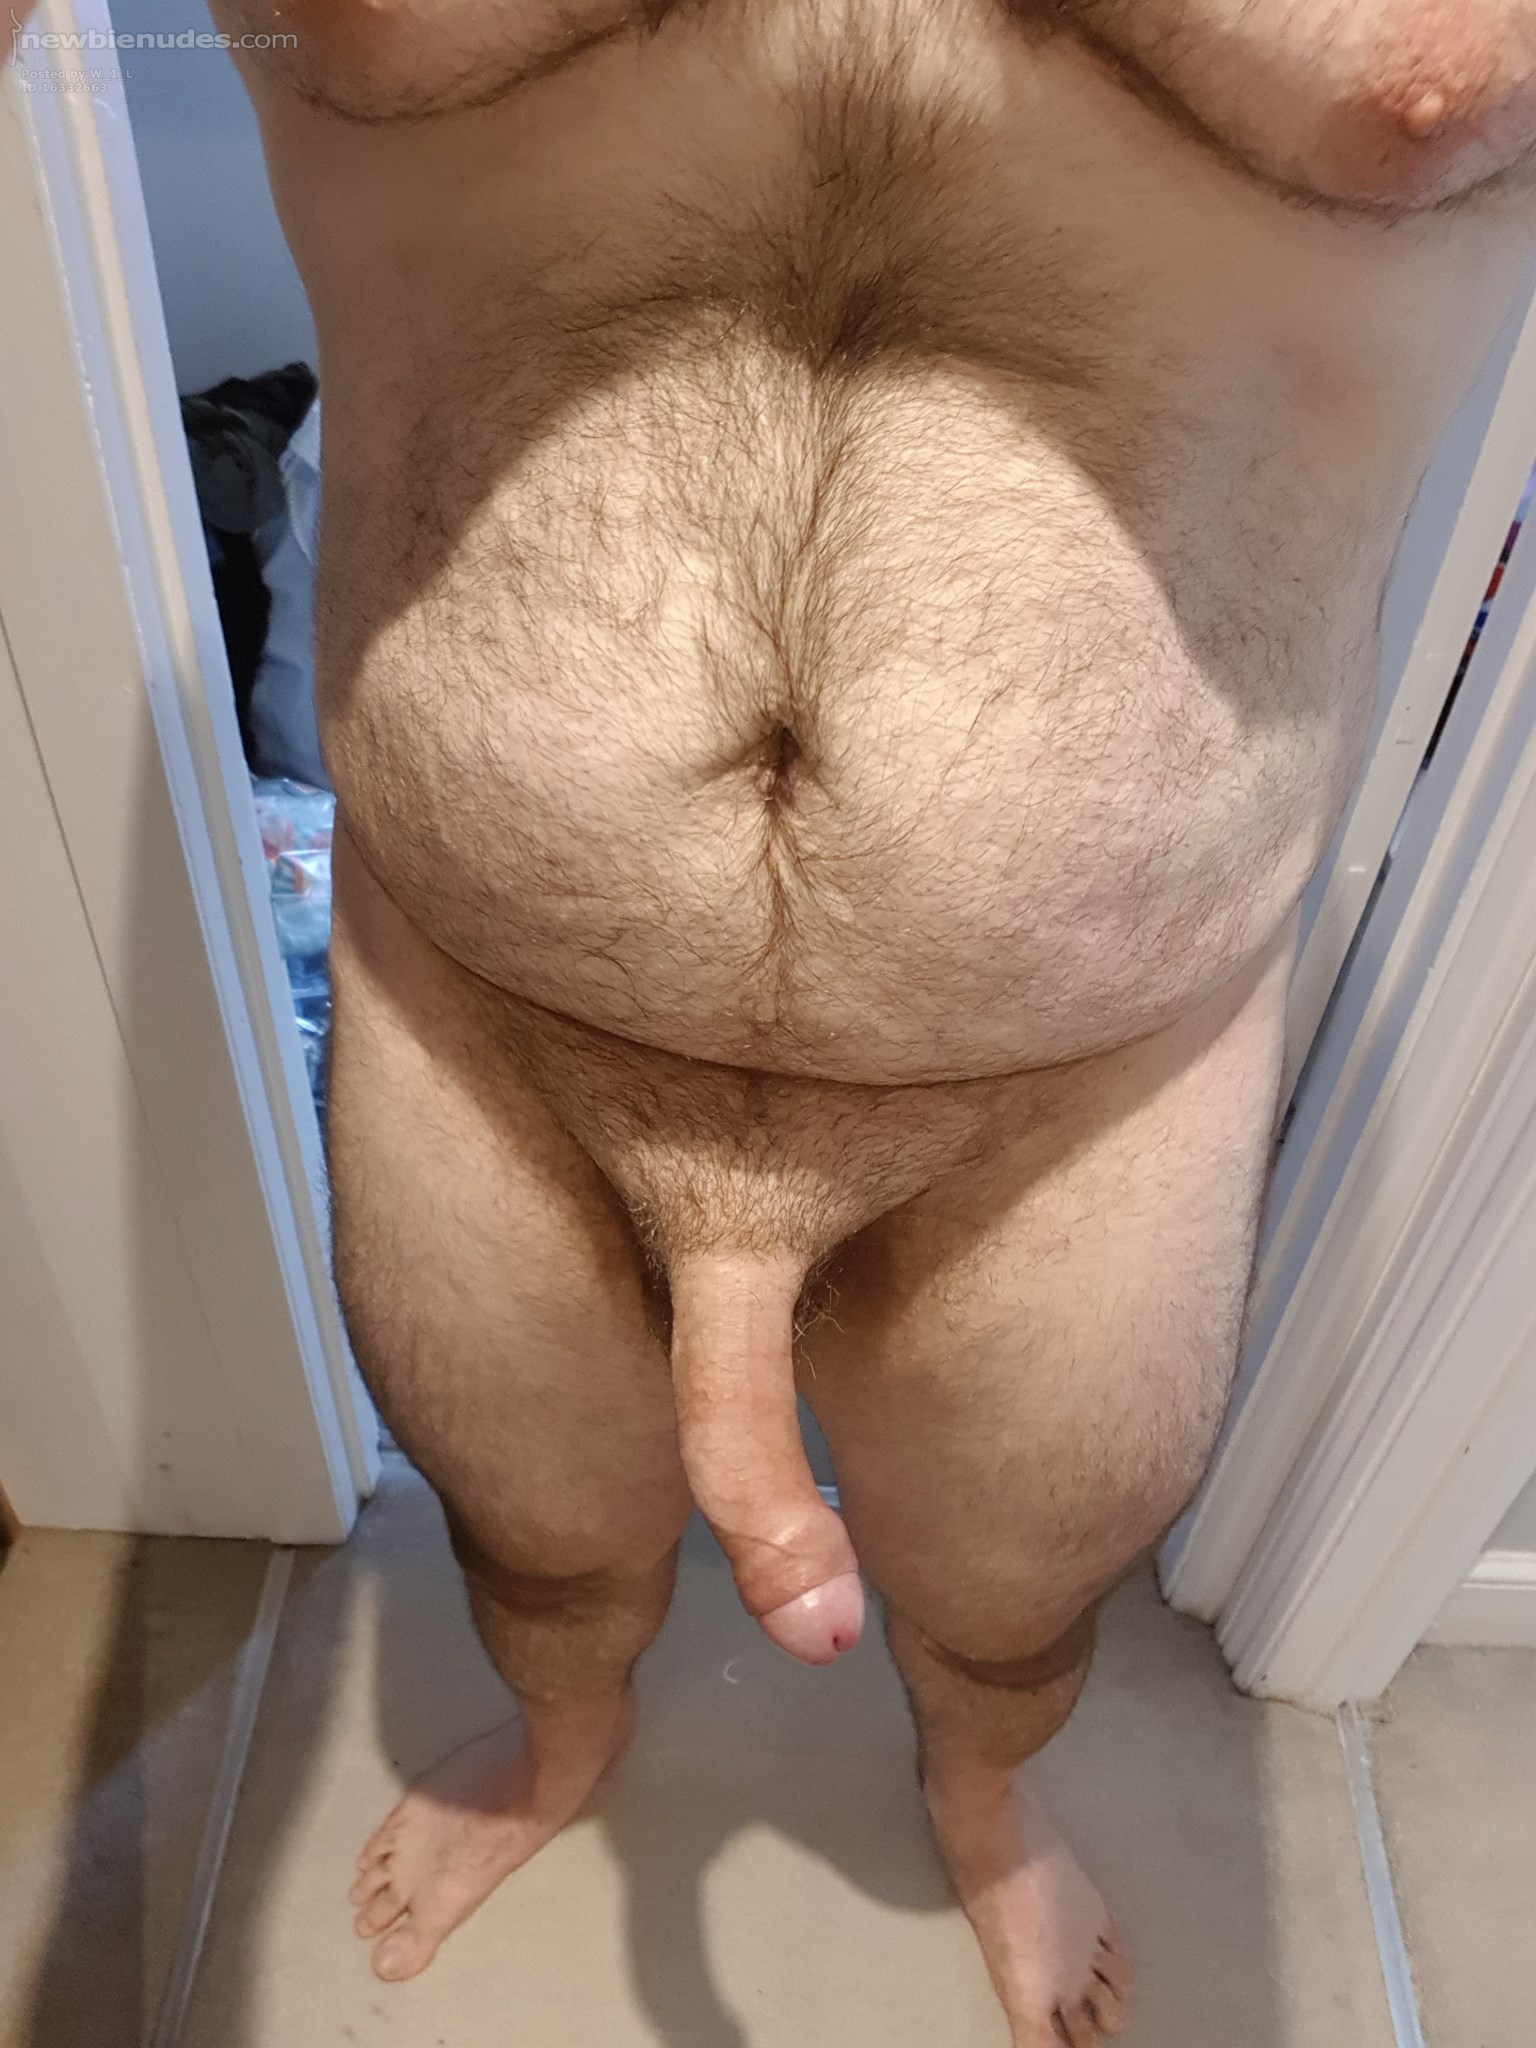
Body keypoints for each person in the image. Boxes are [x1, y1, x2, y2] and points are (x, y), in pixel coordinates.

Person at [209, 2, 1536, 2039]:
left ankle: (981, 1795)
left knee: (1013, 1610)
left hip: (1098, 1075)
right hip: (477, 1003)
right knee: (532, 1547)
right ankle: (564, 1736)